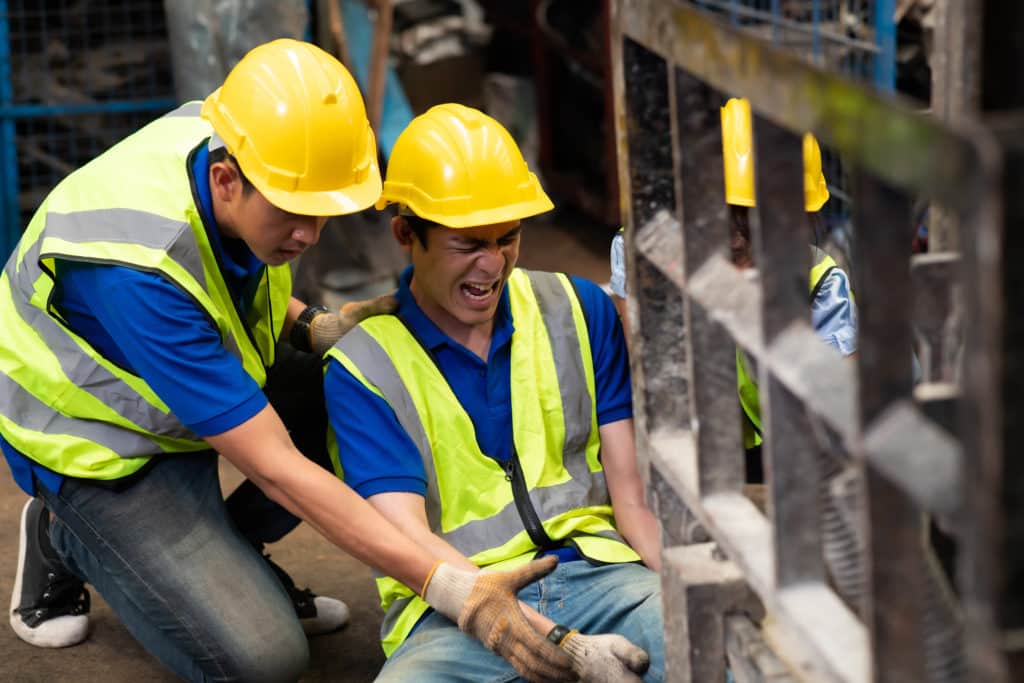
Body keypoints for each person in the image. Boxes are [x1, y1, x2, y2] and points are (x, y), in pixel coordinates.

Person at [1, 39, 579, 683]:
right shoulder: (136, 274)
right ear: (227, 180)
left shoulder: (245, 141)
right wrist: (454, 591)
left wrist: (313, 325)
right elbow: (277, 467)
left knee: (359, 376)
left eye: (323, 214)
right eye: (294, 215)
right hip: (103, 453)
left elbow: (222, 281)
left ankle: (230, 556)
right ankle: (61, 535)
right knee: (261, 659)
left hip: (177, 388)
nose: (309, 235)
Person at [324, 103, 665, 682]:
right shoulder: (363, 366)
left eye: (508, 239)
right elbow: (407, 536)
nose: (494, 263)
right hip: (449, 609)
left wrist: (692, 601)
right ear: (407, 234)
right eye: (469, 244)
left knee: (722, 657)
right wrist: (566, 644)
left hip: (605, 578)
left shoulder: (579, 309)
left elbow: (631, 499)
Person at [609, 97, 857, 480]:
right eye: (725, 227)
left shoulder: (820, 285)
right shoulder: (645, 251)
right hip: (681, 438)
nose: (739, 249)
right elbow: (642, 366)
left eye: (755, 229)